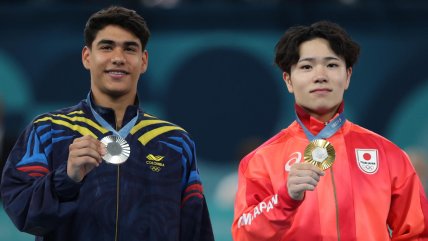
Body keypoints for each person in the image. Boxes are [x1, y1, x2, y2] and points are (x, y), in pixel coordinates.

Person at [0, 6, 214, 241]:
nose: (118, 58)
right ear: (87, 57)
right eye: (106, 47)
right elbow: (23, 213)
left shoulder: (174, 141)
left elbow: (196, 231)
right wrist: (66, 178)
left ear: (143, 61)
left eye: (130, 49)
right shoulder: (48, 131)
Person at [232, 21, 428, 240]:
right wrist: (284, 198)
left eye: (332, 65)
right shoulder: (260, 161)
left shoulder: (389, 155)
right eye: (307, 66)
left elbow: (417, 233)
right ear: (288, 80)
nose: (320, 75)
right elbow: (244, 234)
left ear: (348, 76)